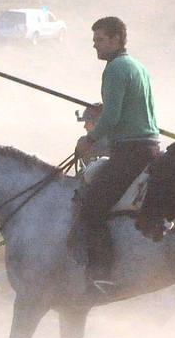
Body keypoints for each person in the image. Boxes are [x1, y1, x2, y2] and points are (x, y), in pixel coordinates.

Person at [69, 16, 161, 299]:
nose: (95, 45)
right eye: (94, 40)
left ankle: (102, 275)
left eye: (100, 40)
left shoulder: (115, 69)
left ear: (117, 39)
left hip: (130, 151)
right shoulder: (136, 66)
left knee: (91, 208)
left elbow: (112, 117)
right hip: (148, 146)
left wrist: (89, 140)